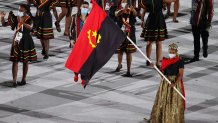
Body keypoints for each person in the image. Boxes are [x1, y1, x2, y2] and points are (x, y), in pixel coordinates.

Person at [144, 43, 185, 123]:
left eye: (173, 52)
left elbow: (180, 75)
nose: (171, 53)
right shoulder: (166, 61)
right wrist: (155, 67)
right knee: (163, 101)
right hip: (165, 84)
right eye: (170, 51)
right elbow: (162, 75)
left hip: (174, 84)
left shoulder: (180, 61)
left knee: (173, 102)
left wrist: (175, 83)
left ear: (176, 52)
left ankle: (172, 119)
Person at [0, 4, 37, 87]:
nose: (19, 11)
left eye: (21, 10)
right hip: (17, 37)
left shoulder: (29, 18)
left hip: (26, 39)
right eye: (19, 10)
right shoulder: (16, 18)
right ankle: (14, 81)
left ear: (26, 11)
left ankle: (23, 79)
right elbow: (4, 24)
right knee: (15, 60)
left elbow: (31, 28)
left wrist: (22, 22)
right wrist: (2, 17)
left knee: (25, 61)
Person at [69, 1, 89, 85]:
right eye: (83, 7)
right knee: (77, 60)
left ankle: (83, 77)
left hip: (86, 42)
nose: (85, 8)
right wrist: (71, 39)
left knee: (85, 60)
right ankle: (76, 74)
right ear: (80, 7)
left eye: (86, 7)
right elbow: (70, 29)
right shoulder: (74, 17)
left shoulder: (90, 18)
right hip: (77, 42)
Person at [143, 0, 168, 68]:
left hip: (159, 19)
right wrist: (142, 20)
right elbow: (144, 10)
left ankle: (158, 62)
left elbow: (170, 1)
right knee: (149, 42)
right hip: (151, 20)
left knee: (159, 42)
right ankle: (148, 59)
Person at [116, 3, 137, 77]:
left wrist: (132, 10)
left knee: (129, 52)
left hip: (130, 32)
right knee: (120, 51)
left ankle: (128, 70)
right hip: (120, 32)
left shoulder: (130, 4)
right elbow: (116, 14)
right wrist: (121, 11)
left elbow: (135, 14)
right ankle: (119, 65)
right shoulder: (118, 4)